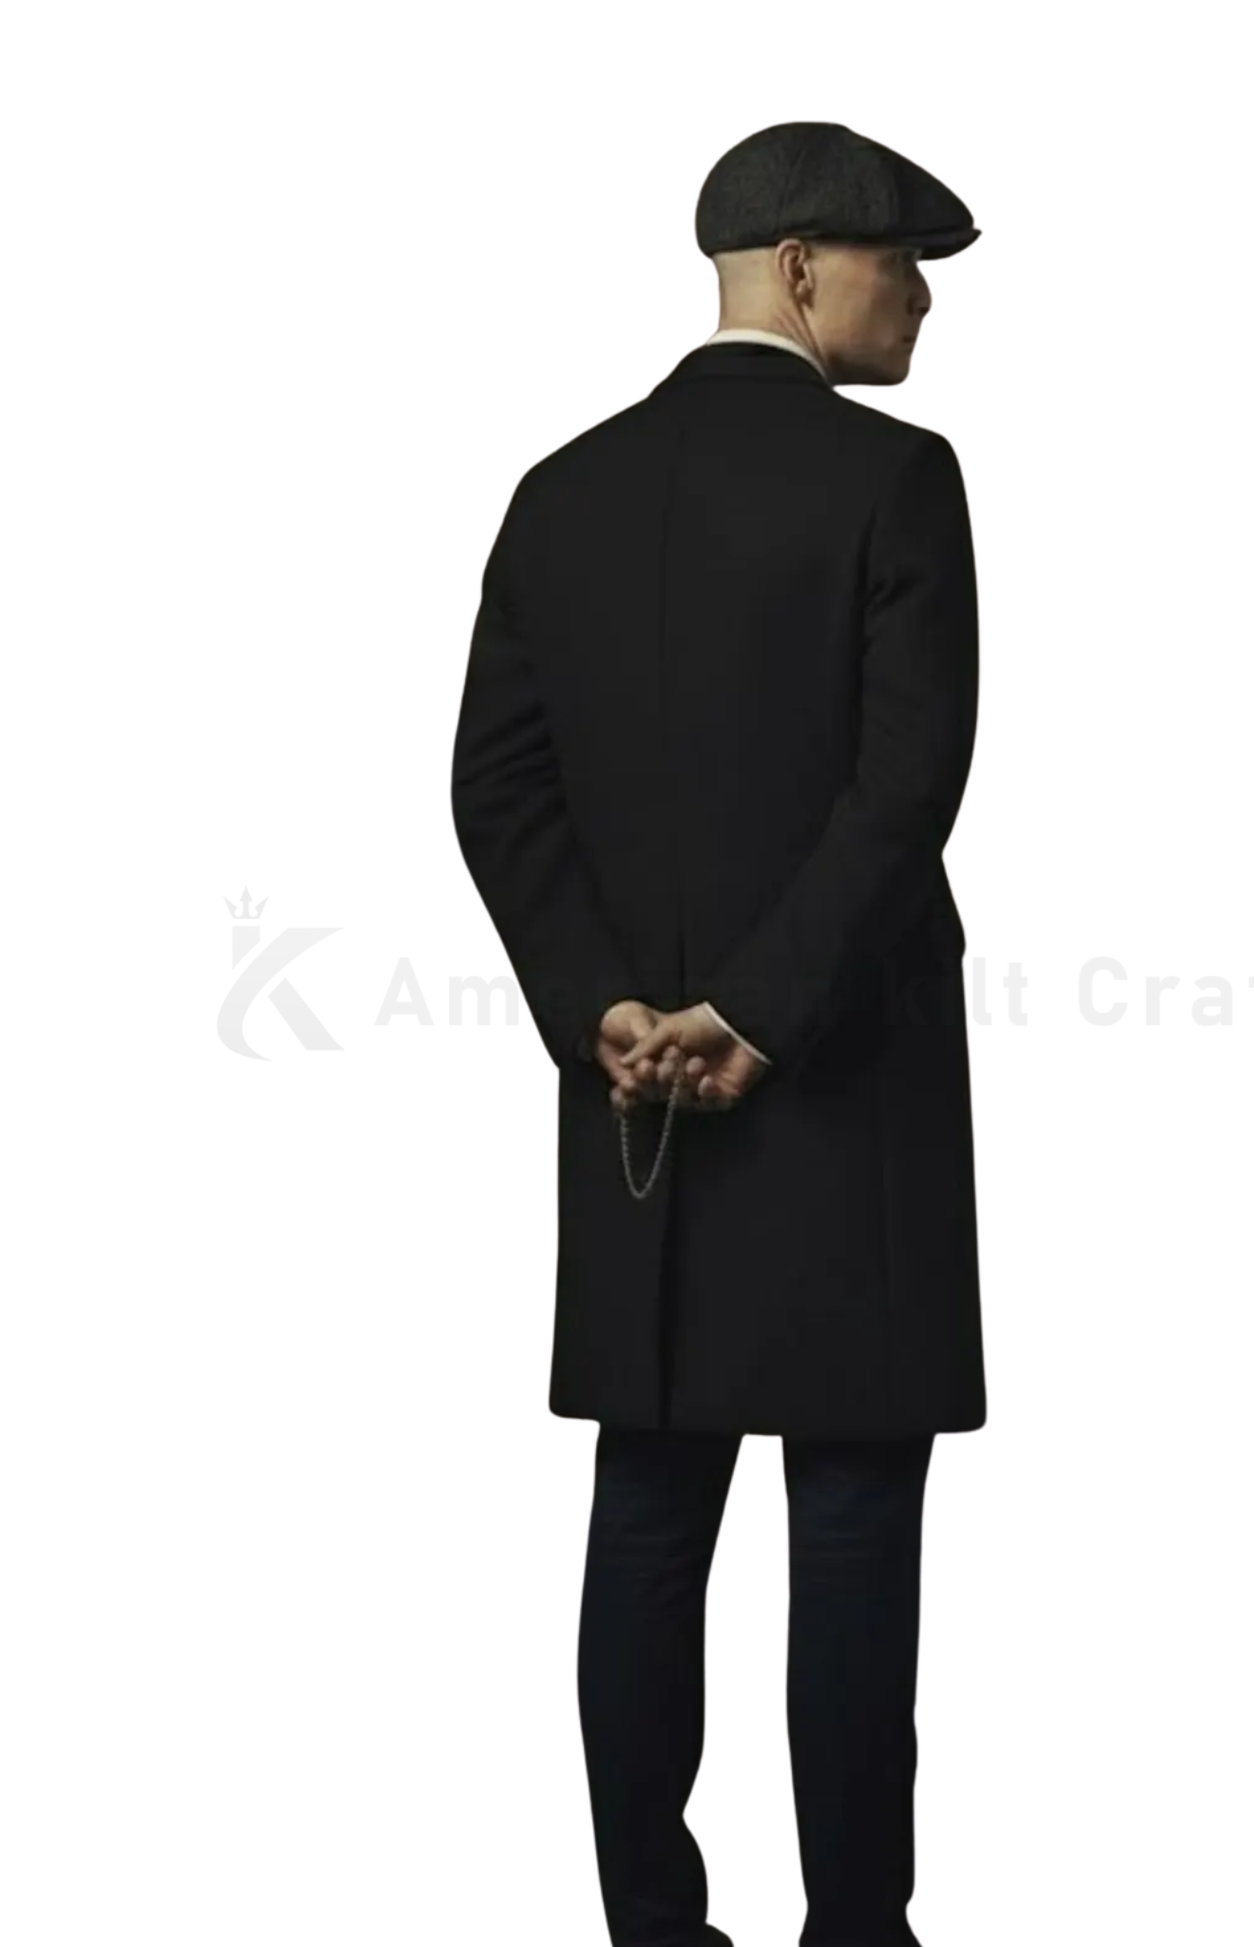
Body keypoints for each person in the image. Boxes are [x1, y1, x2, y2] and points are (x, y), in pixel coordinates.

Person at [450, 119, 985, 1947]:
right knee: (850, 1513)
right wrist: (757, 1009)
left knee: (650, 1507)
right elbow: (905, 787)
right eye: (901, 266)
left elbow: (496, 786)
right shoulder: (898, 479)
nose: (921, 302)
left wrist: (604, 1005)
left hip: (637, 1100)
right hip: (843, 1081)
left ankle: (651, 1934)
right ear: (804, 266)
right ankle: (859, 1934)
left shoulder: (561, 491)